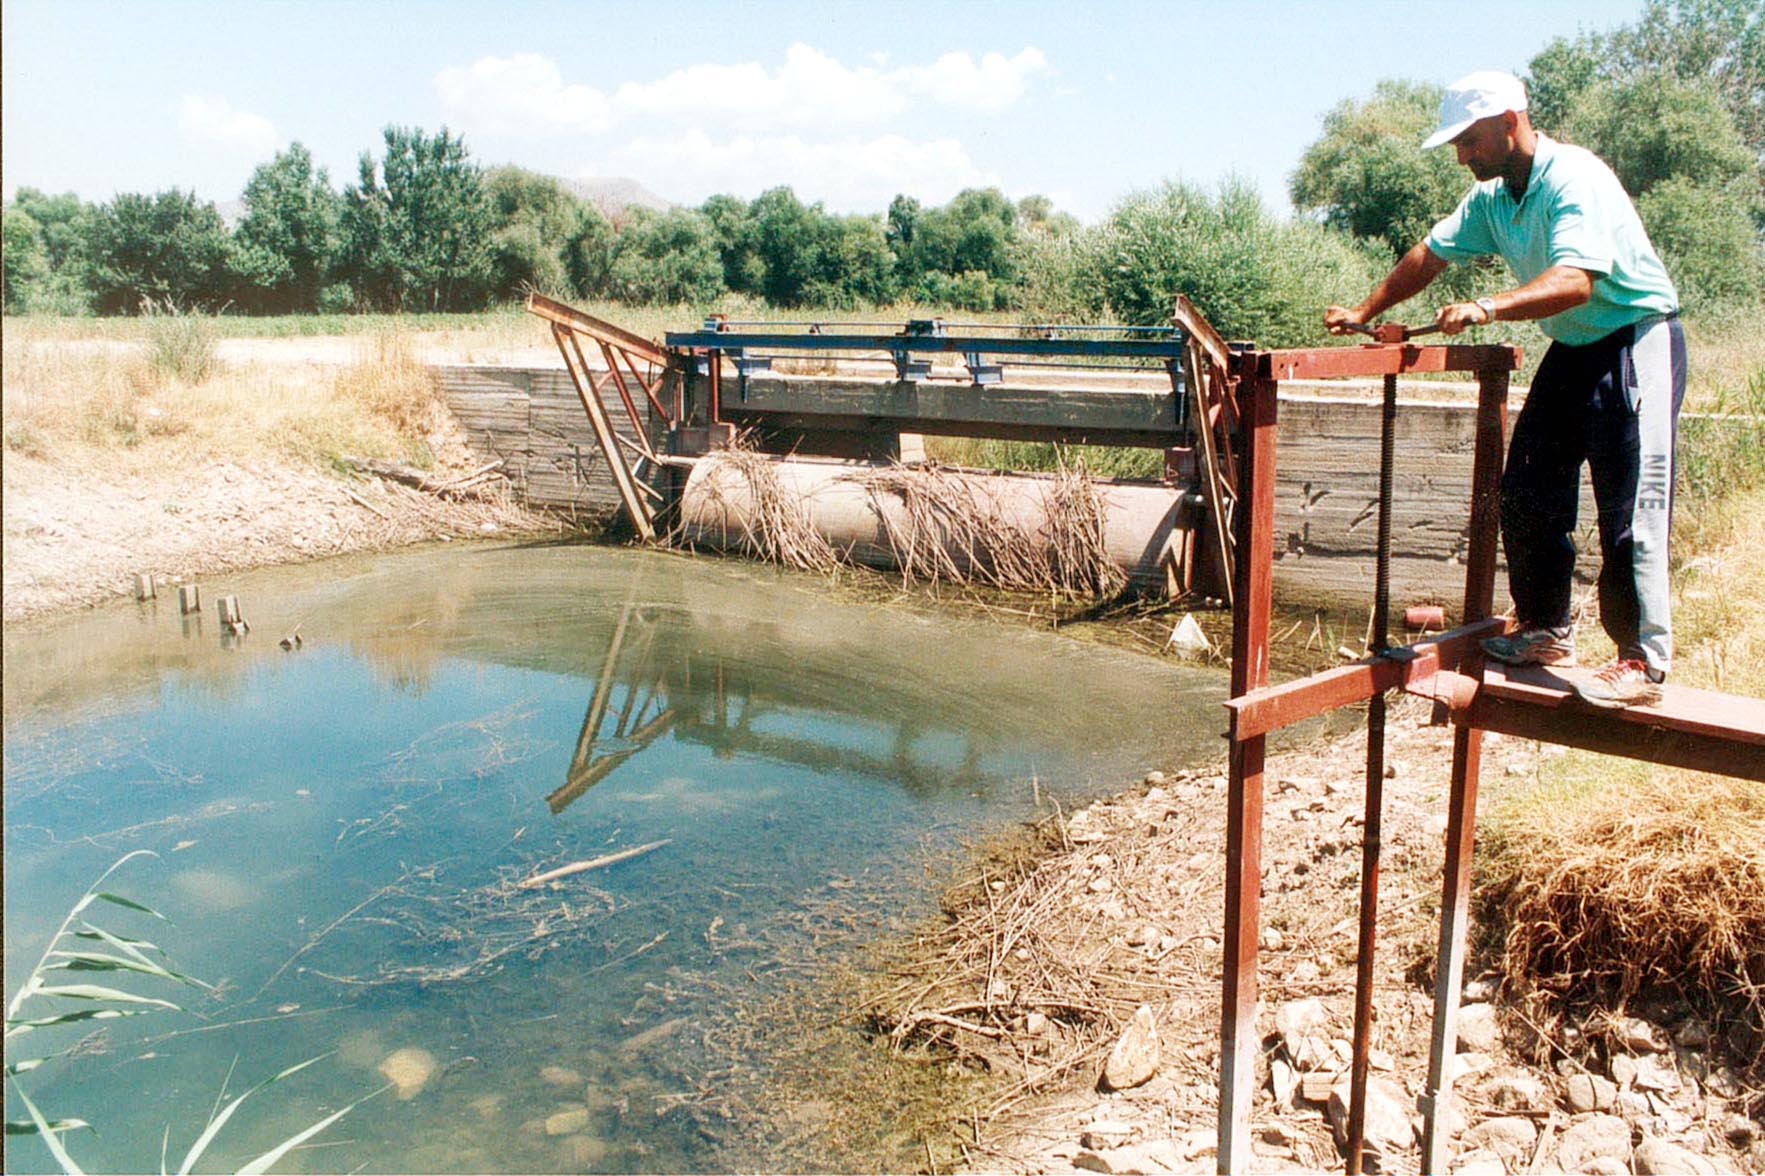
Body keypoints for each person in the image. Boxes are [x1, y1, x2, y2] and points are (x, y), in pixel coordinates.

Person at [1324, 70, 1685, 709]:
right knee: (1525, 485)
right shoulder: (1496, 199)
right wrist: (1363, 309)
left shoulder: (1574, 178)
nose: (1462, 156)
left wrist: (1488, 307)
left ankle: (1642, 660)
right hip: (1575, 347)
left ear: (1508, 123)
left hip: (1633, 340)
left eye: (1469, 142)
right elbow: (1428, 255)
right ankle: (1547, 629)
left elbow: (1576, 280)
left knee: (1630, 508)